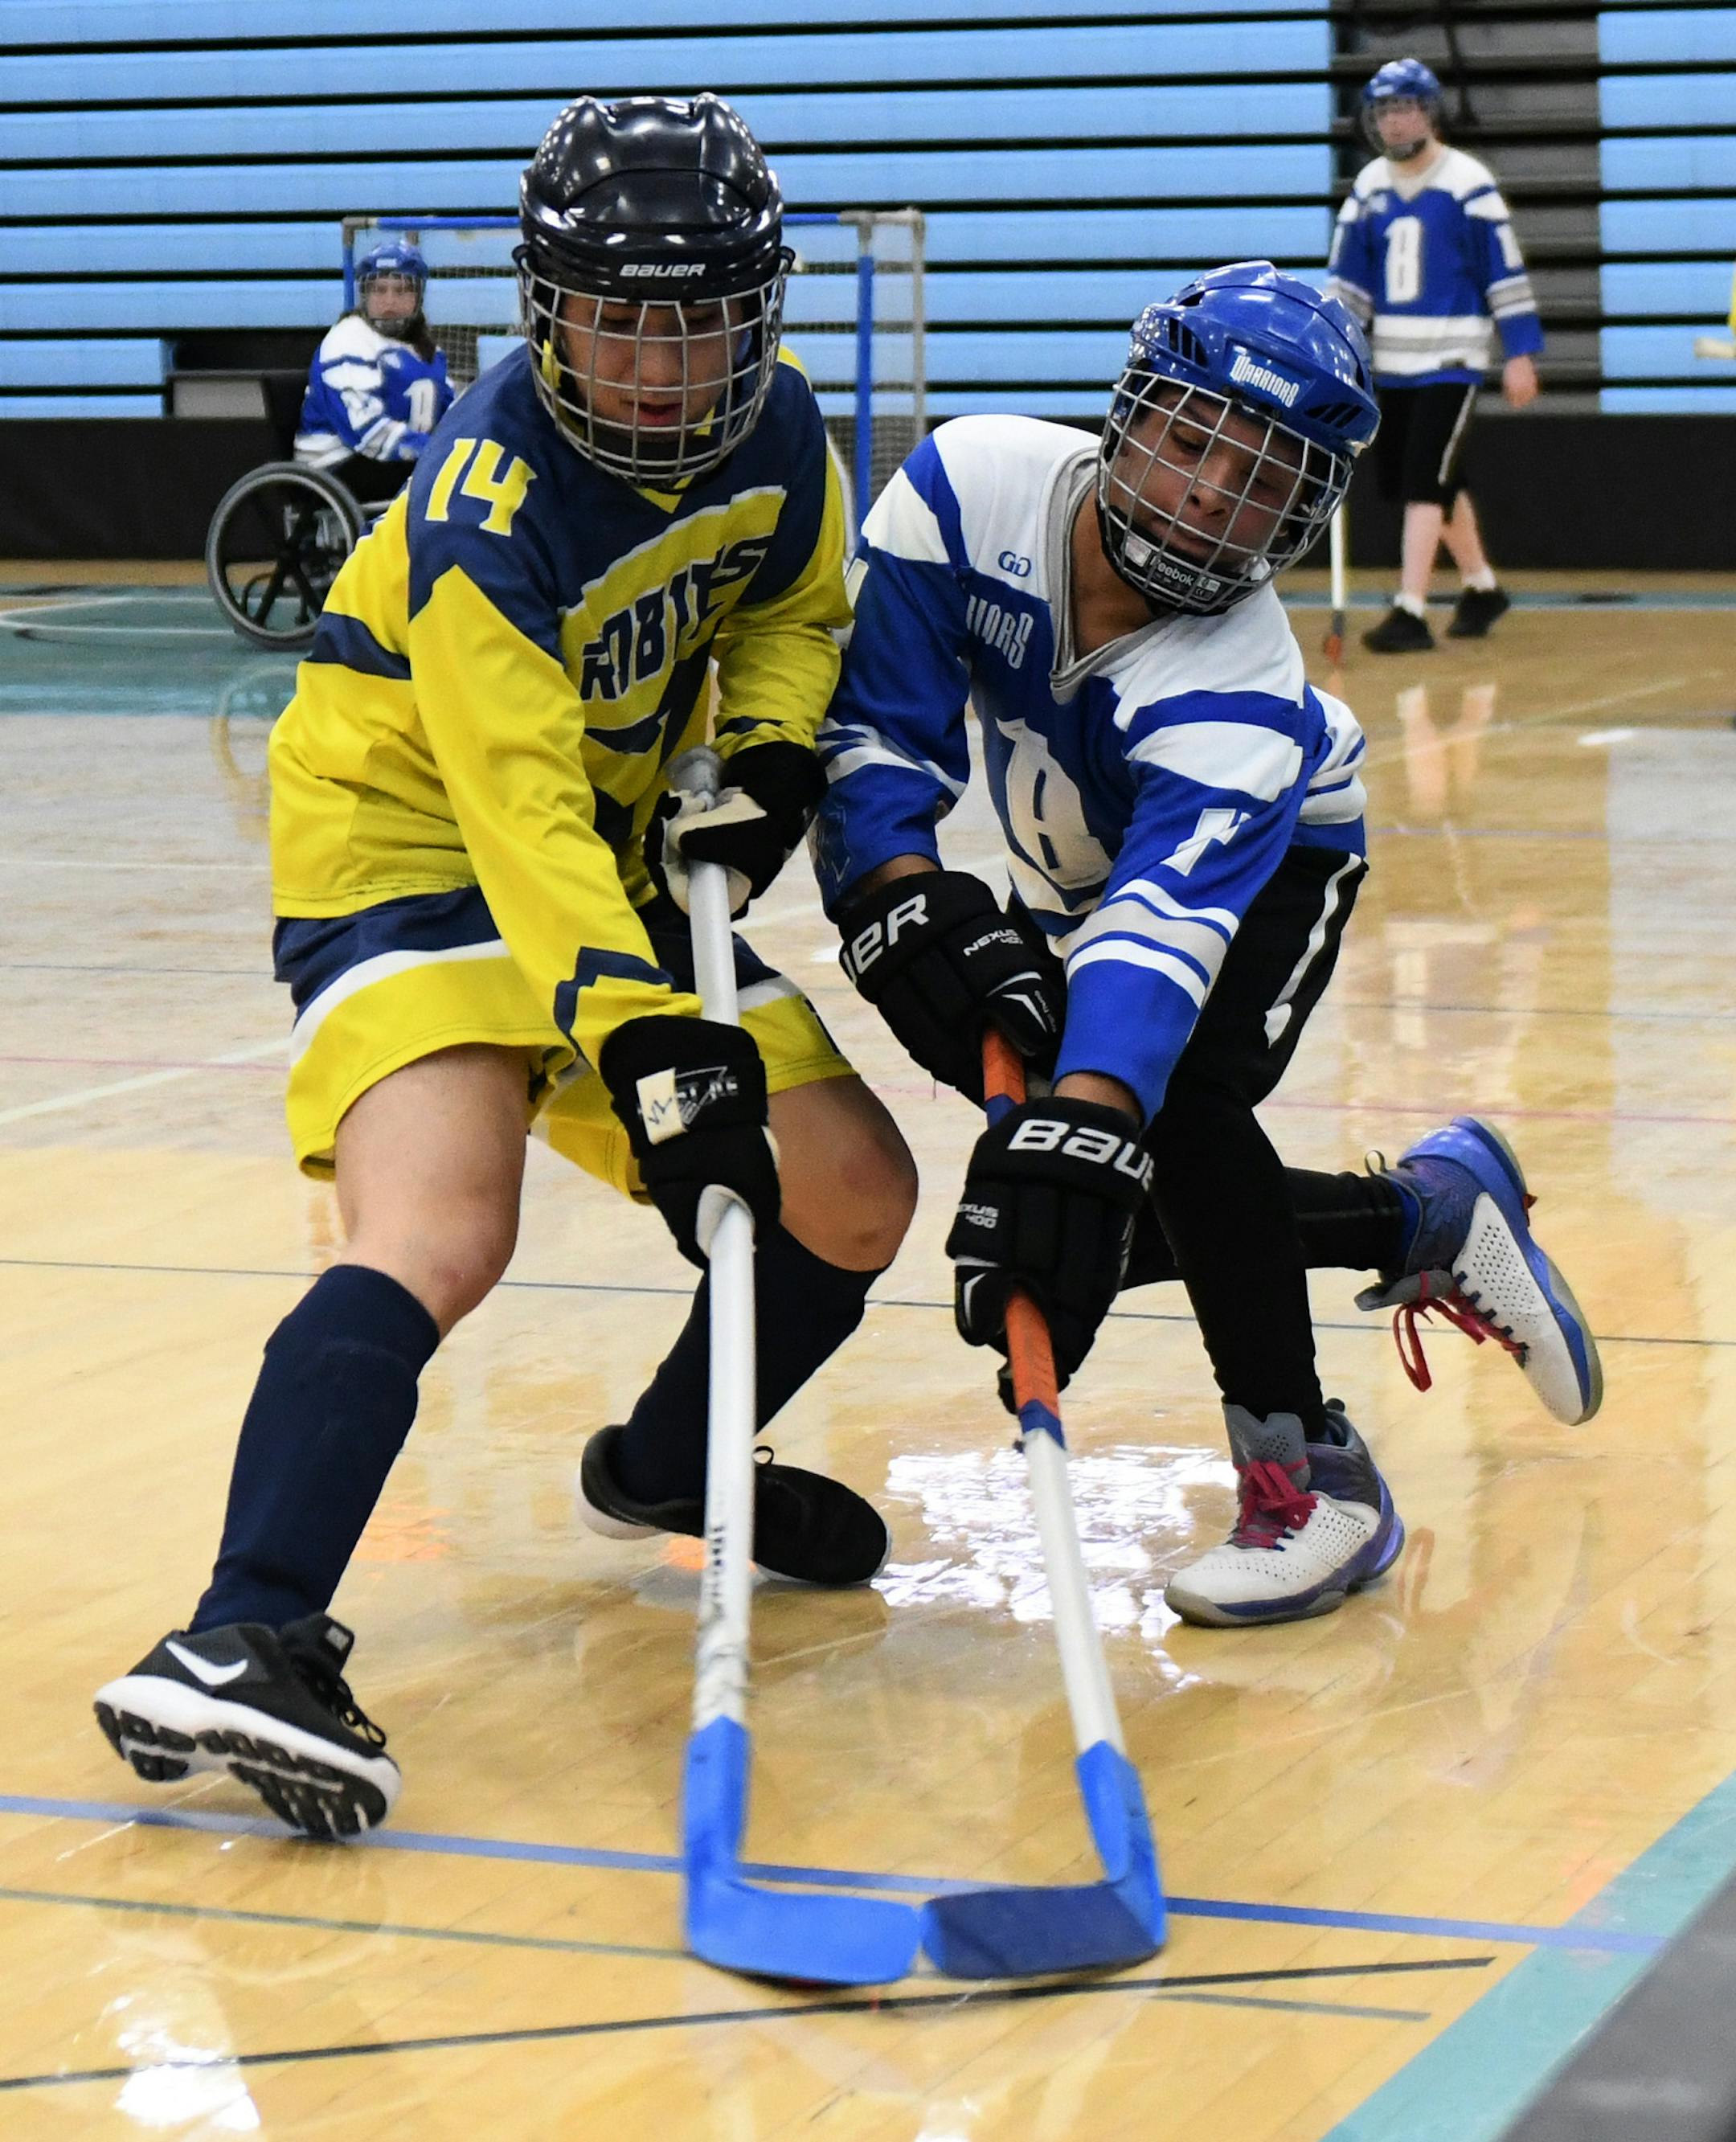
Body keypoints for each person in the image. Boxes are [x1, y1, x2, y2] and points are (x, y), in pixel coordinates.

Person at [93, 92, 918, 1840]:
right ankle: (242, 1633)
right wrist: (647, 1049)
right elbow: (517, 803)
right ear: (548, 310)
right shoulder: (486, 494)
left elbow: (792, 603)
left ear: (754, 315)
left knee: (852, 1192)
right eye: (618, 322)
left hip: (601, 845)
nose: (655, 366)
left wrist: (767, 756)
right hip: (412, 843)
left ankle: (671, 1466)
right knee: (449, 1226)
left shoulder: (780, 428)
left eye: (696, 322)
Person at [815, 260, 1601, 1630]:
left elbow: (1158, 948)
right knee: (1109, 1209)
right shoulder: (965, 483)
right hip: (1067, 879)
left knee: (1172, 1124)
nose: (1203, 498)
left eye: (1260, 481)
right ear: (1129, 411)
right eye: (1189, 442)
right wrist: (894, 892)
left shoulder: (1237, 688)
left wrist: (1092, 1116)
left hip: (1270, 864)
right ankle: (1422, 1217)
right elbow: (879, 728)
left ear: (1300, 518)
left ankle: (1314, 1481)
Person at [1325, 59, 1544, 654]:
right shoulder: (1369, 187)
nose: (1395, 124)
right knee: (1431, 481)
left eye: (1405, 109)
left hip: (1452, 356)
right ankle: (1481, 586)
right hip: (1393, 363)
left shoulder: (1467, 182)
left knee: (1426, 479)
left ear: (1429, 113)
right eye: (1385, 112)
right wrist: (1333, 344)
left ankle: (1411, 608)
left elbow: (1504, 270)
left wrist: (1521, 351)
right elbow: (1349, 282)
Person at [293, 240, 455, 505]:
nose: (389, 301)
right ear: (365, 295)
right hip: (336, 468)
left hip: (392, 460)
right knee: (444, 480)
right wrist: (433, 452)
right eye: (379, 290)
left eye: (402, 291)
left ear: (418, 298)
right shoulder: (348, 340)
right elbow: (366, 433)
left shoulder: (423, 348)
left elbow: (450, 411)